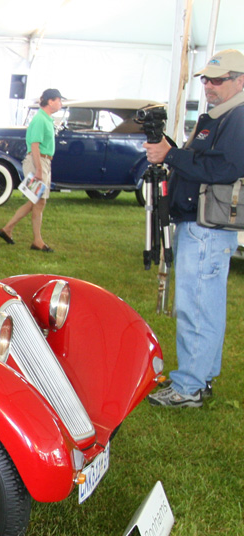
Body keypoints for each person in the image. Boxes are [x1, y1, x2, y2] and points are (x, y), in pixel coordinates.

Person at [144, 49, 244, 408]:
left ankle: (188, 387)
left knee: (196, 307)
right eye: (206, 79)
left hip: (207, 226)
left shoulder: (237, 116)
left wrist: (170, 155)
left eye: (218, 80)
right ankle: (199, 379)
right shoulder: (221, 116)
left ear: (240, 80)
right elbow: (207, 161)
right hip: (203, 223)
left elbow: (225, 167)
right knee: (205, 305)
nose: (209, 86)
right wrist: (174, 151)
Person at [0, 88, 64, 252]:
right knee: (38, 200)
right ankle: (36, 240)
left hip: (42, 162)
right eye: (59, 100)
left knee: (37, 200)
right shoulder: (40, 119)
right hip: (37, 161)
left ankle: (8, 229)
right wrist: (39, 170)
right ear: (50, 101)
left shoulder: (45, 119)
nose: (61, 103)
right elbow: (34, 145)